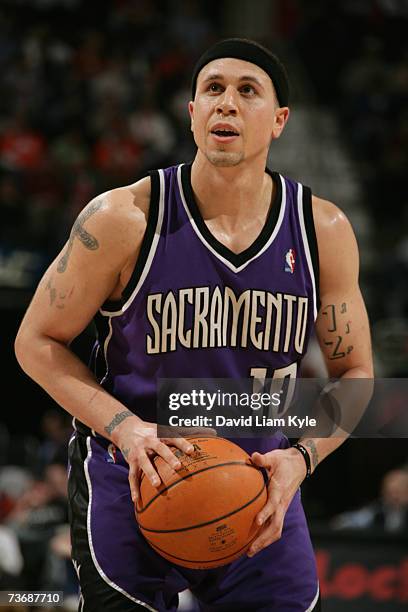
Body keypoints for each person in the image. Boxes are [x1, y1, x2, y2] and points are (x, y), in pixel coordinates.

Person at [15, 38, 373, 611]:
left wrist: (301, 458)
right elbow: (35, 342)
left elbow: (356, 374)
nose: (225, 104)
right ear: (191, 113)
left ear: (279, 120)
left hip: (256, 481)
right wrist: (126, 429)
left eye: (246, 91)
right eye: (212, 90)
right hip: (133, 477)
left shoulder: (321, 230)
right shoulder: (123, 219)